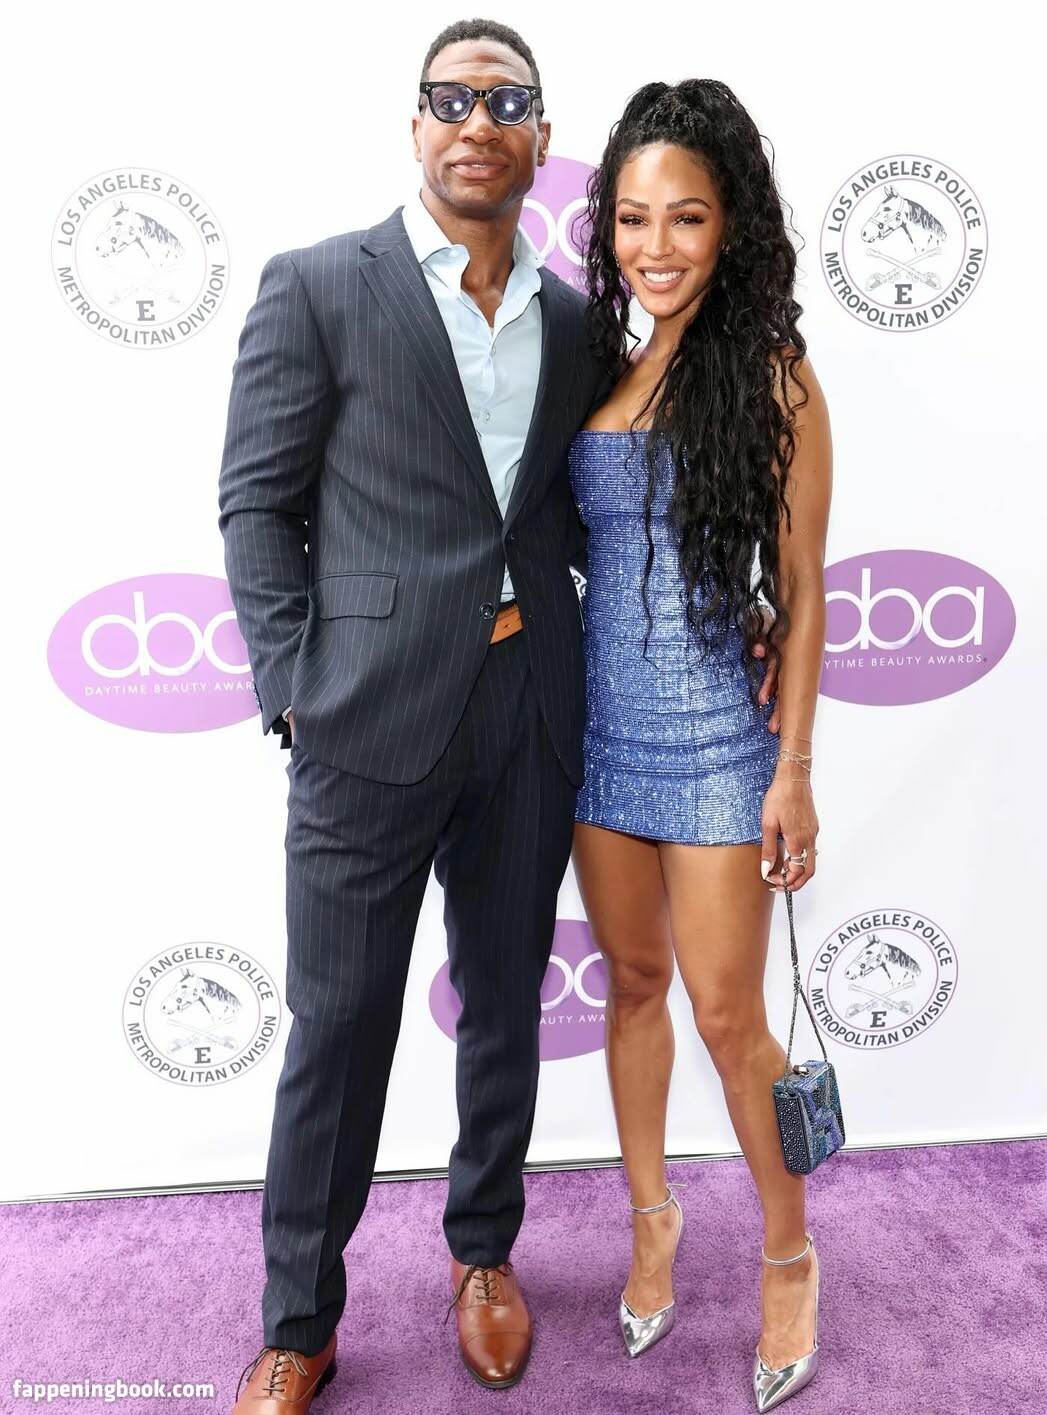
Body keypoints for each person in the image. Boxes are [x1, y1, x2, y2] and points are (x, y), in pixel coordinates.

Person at [218, 20, 607, 1410]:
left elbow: (574, 509)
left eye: (505, 102)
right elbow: (256, 505)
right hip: (364, 723)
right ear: (416, 125)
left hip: (527, 709)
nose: (475, 122)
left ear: (540, 139)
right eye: (450, 99)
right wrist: (294, 688)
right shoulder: (322, 284)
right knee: (336, 1027)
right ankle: (298, 1319)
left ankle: (483, 1253)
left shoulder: (577, 320)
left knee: (504, 1001)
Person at [568, 80, 831, 1412]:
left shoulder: (775, 376)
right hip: (599, 741)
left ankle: (789, 1254)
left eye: (685, 216)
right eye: (632, 218)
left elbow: (805, 588)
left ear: (731, 226)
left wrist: (793, 769)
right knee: (631, 986)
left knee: (730, 1020)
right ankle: (652, 1221)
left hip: (724, 745)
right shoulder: (601, 366)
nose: (655, 244)